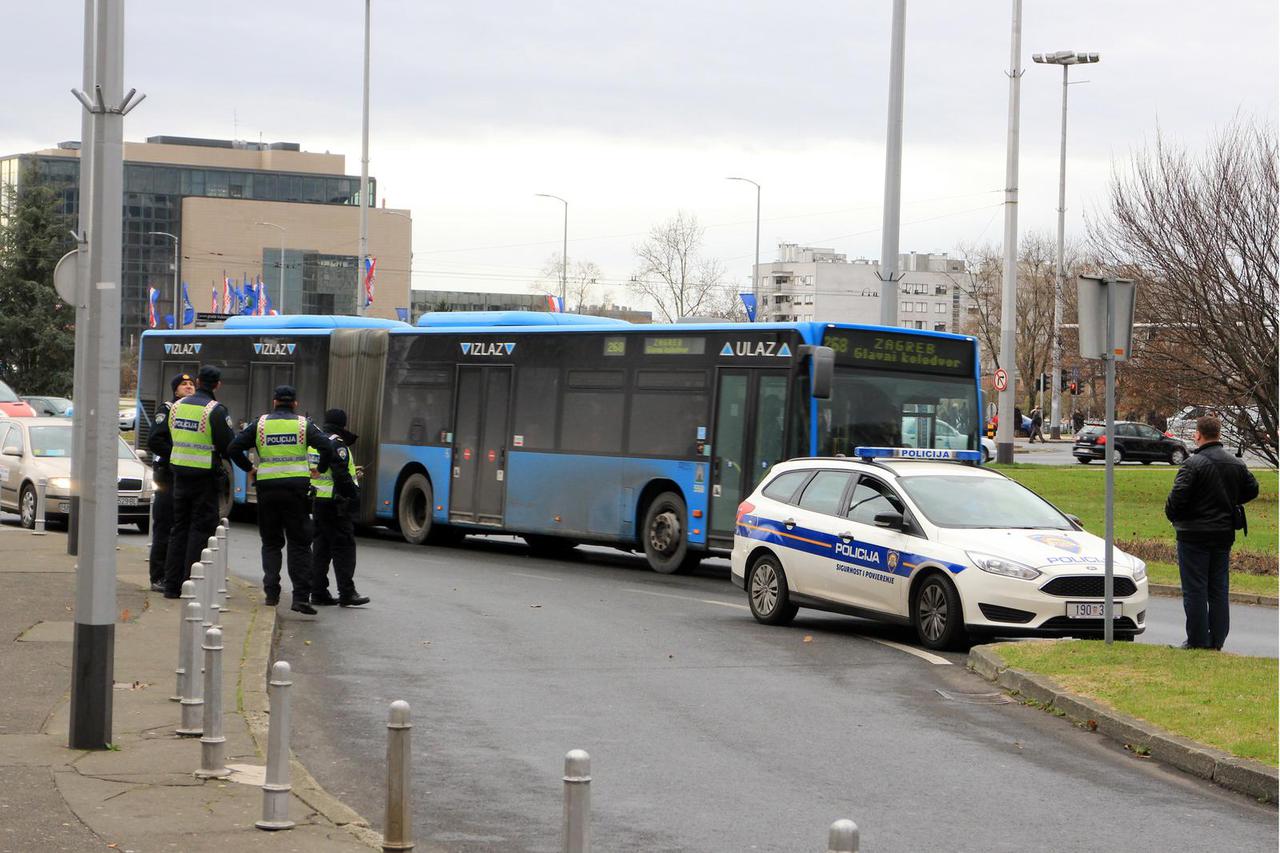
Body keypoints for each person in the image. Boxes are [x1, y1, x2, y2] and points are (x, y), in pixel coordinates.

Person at [227, 385, 344, 615]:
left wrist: (250, 468)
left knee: (271, 543)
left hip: (267, 490)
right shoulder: (303, 424)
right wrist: (319, 469)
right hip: (296, 491)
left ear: (274, 402)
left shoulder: (260, 424)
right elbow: (327, 447)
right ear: (295, 404)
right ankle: (300, 598)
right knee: (299, 543)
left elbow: (233, 448)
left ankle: (271, 593)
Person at [1164, 416, 1259, 650]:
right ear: (1219, 434)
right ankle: (1216, 640)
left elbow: (1176, 500)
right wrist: (1230, 499)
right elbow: (1252, 489)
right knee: (1218, 588)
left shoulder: (1192, 464)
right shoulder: (1235, 463)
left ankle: (1197, 639)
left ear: (1198, 435)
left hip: (1193, 534)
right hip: (1223, 533)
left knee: (1195, 588)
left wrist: (1177, 516)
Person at [154, 365, 243, 599]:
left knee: (178, 529)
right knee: (200, 530)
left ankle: (172, 586)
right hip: (204, 477)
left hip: (179, 475)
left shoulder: (177, 407)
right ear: (218, 385)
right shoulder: (215, 410)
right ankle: (191, 584)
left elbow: (173, 437)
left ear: (198, 380)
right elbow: (228, 446)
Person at [309, 408, 368, 607]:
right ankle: (347, 592)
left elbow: (322, 471)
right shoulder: (337, 443)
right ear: (342, 424)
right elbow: (340, 474)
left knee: (321, 548)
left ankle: (318, 592)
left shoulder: (314, 441)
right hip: (336, 504)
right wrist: (353, 492)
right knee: (344, 549)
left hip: (319, 501)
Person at [145, 372, 196, 592]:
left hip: (187, 476)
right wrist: (177, 456)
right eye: (184, 384)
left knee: (184, 527)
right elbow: (155, 440)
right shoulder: (167, 409)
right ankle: (158, 576)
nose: (189, 387)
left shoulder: (198, 411)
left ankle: (180, 574)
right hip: (168, 474)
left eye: (191, 384)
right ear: (175, 390)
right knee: (165, 525)